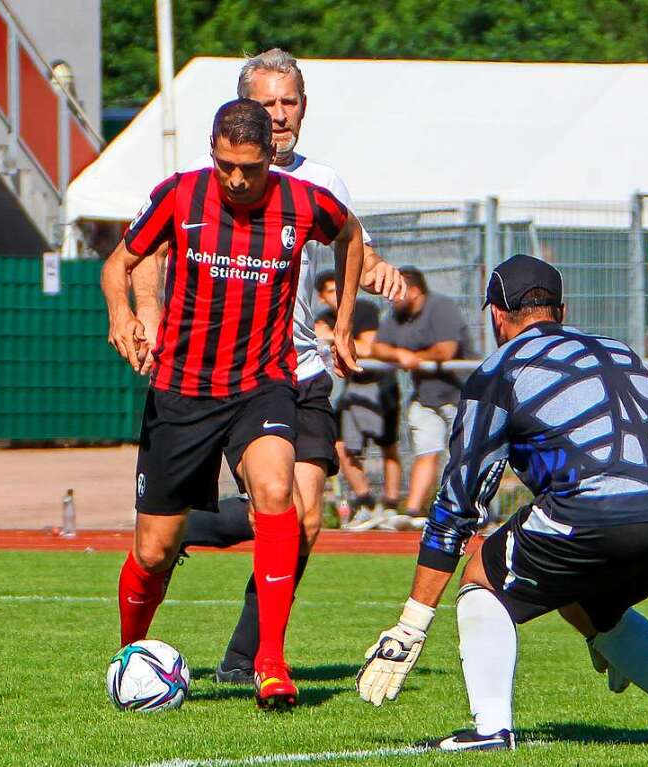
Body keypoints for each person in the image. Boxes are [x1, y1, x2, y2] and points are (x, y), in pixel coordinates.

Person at [356, 255, 648, 751]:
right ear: (560, 310)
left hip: (603, 512)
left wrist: (412, 625)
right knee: (584, 597)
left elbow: (458, 504)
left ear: (496, 315)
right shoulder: (619, 350)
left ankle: (489, 731)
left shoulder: (500, 370)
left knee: (482, 574)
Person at [131, 48, 405, 685]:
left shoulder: (323, 182)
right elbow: (142, 248)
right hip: (212, 371)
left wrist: (360, 291)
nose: (280, 117)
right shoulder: (208, 180)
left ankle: (248, 657)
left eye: (290, 103)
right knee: (267, 511)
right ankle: (178, 533)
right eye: (268, 105)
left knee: (303, 516)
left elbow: (348, 240)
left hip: (299, 369)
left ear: (304, 109)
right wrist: (145, 315)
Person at [102, 98, 365, 709]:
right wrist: (123, 312)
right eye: (226, 166)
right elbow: (122, 261)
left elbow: (350, 235)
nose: (237, 180)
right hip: (182, 388)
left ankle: (269, 661)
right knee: (153, 549)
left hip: (261, 384)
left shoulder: (303, 202)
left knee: (278, 495)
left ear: (271, 157)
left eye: (249, 167)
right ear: (213, 152)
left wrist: (345, 320)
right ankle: (130, 654)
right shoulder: (180, 195)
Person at [370, 267, 473, 528]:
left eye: (395, 290)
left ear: (413, 290)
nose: (390, 297)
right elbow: (378, 347)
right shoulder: (396, 316)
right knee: (426, 450)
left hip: (460, 394)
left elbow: (447, 349)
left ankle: (468, 511)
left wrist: (417, 358)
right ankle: (414, 512)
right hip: (427, 397)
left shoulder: (442, 307)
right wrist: (399, 355)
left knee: (464, 456)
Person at [312, 270, 402, 525]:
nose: (336, 296)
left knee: (388, 445)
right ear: (321, 297)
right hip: (353, 387)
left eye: (339, 289)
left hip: (380, 383)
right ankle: (367, 503)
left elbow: (368, 347)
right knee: (341, 446)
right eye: (330, 292)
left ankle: (392, 507)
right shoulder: (323, 318)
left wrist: (332, 337)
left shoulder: (362, 309)